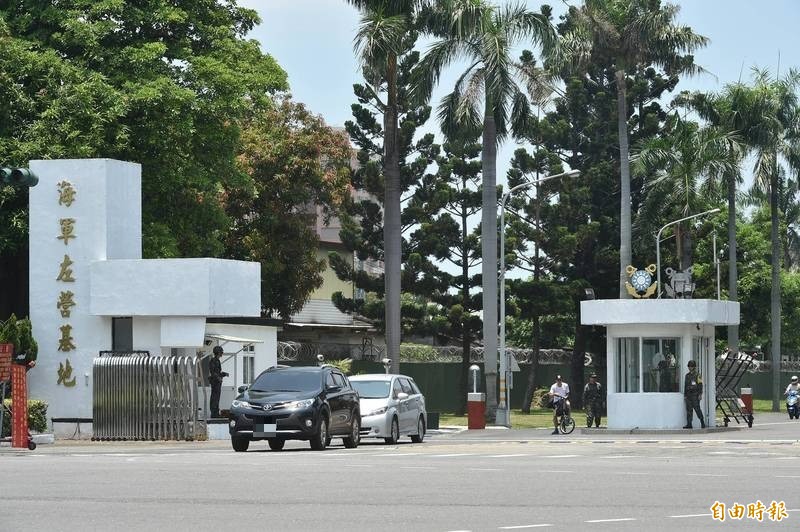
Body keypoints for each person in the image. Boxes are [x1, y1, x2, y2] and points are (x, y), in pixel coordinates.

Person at [683, 360, 705, 429]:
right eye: (689, 366)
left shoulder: (698, 375)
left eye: (691, 366)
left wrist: (700, 394)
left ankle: (702, 422)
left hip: (695, 394)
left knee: (697, 409)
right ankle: (689, 424)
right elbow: (685, 386)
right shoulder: (687, 375)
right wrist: (685, 395)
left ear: (694, 367)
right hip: (688, 395)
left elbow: (700, 384)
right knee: (689, 410)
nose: (690, 367)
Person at [209, 346, 229, 418]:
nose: (222, 353)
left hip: (218, 382)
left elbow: (218, 372)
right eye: (221, 352)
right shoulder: (213, 360)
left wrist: (224, 374)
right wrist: (218, 378)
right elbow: (213, 372)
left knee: (217, 398)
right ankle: (214, 413)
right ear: (218, 352)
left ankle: (216, 413)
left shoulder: (217, 361)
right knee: (214, 398)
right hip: (215, 382)